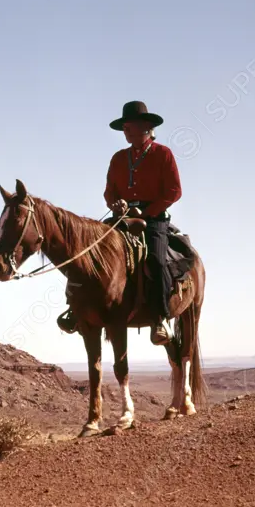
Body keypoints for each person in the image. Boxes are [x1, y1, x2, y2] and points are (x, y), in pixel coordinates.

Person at [103, 100, 182, 344]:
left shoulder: (163, 154)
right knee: (92, 250)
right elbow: (109, 192)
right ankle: (76, 309)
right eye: (124, 127)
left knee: (157, 261)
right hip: (122, 218)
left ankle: (161, 318)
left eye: (129, 126)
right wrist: (116, 204)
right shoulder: (118, 158)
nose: (125, 130)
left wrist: (146, 212)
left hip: (154, 219)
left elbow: (174, 191)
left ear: (145, 127)